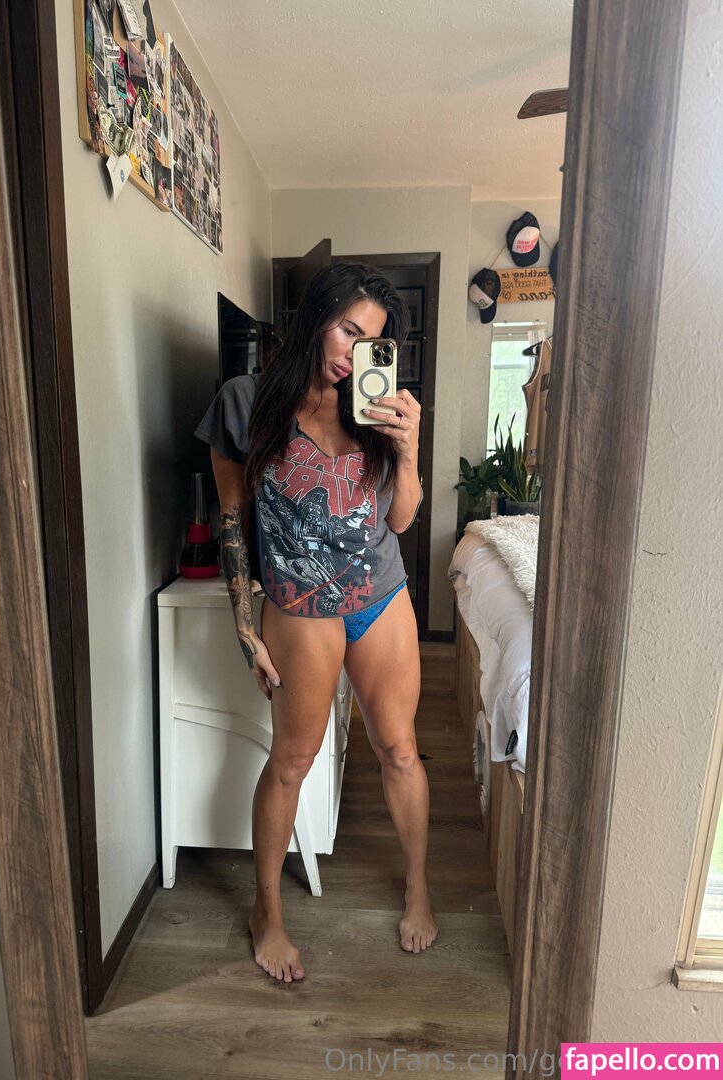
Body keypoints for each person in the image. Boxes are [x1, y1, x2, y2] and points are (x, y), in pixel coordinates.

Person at [194, 262, 437, 984]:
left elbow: (400, 519)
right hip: (299, 606)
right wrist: (246, 626)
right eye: (347, 330)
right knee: (292, 762)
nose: (355, 354)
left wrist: (408, 451)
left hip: (379, 596)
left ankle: (418, 888)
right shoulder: (245, 403)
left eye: (372, 342)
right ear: (316, 316)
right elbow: (231, 519)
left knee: (400, 750)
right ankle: (266, 912)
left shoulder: (375, 410)